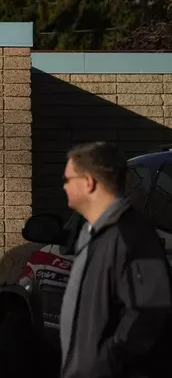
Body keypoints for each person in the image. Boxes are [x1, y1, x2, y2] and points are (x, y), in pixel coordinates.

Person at [59, 141, 172, 378]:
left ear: (89, 182)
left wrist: (106, 361)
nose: (65, 187)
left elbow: (150, 311)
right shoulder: (92, 233)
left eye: (69, 180)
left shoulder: (133, 236)